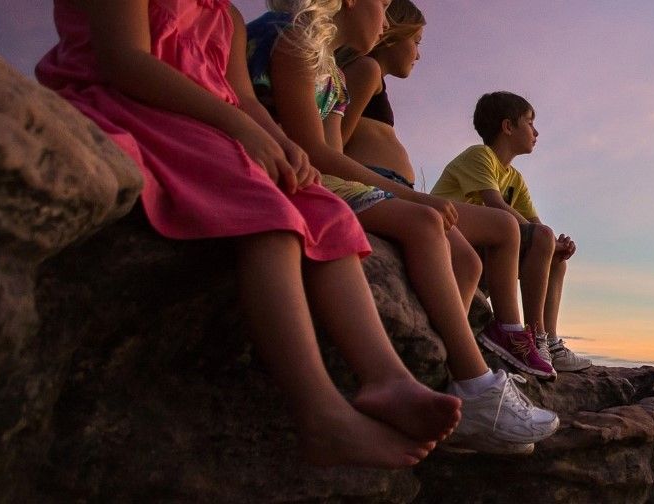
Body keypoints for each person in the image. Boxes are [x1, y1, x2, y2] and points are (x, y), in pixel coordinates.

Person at [35, 0, 458, 468]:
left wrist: (282, 145)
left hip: (214, 126)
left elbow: (244, 98)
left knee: (325, 210)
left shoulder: (226, 17)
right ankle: (319, 411)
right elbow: (124, 62)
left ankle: (387, 377)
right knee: (270, 219)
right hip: (135, 107)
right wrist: (237, 126)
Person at [245, 0, 556, 453]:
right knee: (427, 222)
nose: (388, 20)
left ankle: (437, 390)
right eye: (385, 6)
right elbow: (320, 153)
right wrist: (412, 196)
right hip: (302, 175)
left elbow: (333, 152)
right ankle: (478, 387)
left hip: (333, 177)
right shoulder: (296, 42)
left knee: (466, 260)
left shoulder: (331, 73)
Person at [431, 91, 591, 372]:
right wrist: (545, 238)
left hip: (491, 251)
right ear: (508, 127)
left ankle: (550, 343)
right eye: (529, 122)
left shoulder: (515, 178)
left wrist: (557, 245)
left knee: (554, 256)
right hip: (455, 244)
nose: (536, 131)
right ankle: (532, 337)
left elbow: (535, 225)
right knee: (542, 238)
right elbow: (495, 204)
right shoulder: (479, 156)